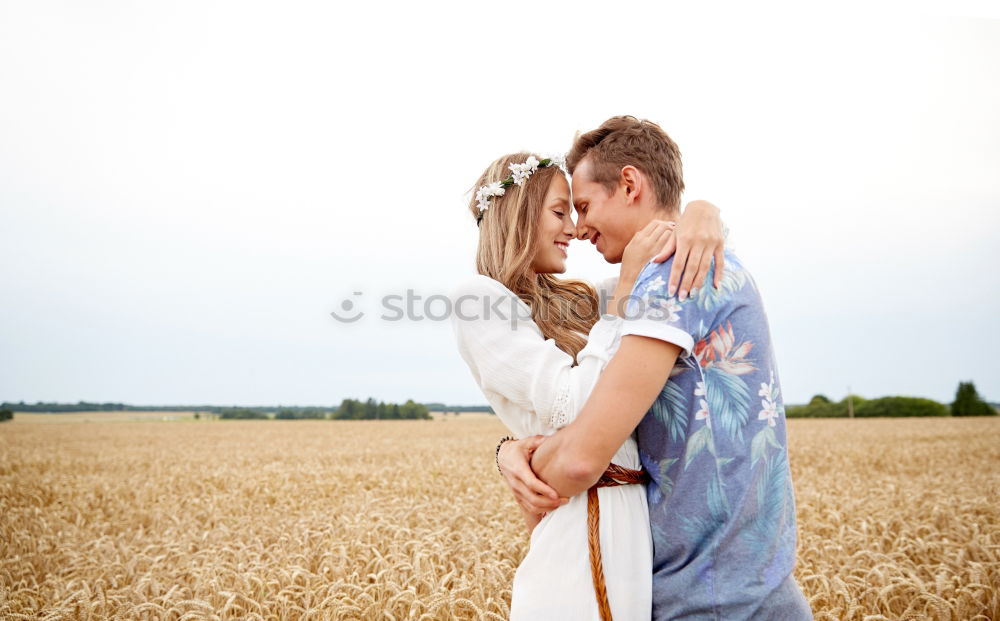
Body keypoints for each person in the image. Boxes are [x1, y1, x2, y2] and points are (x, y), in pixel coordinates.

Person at [498, 116, 813, 620]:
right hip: (759, 590)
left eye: (583, 206)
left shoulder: (669, 281)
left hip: (707, 600)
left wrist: (520, 459)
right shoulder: (718, 261)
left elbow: (579, 461)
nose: (578, 228)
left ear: (629, 184)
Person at [449, 149, 726, 620]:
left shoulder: (582, 299)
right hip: (580, 532)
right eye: (560, 212)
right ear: (517, 216)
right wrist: (507, 447)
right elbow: (573, 407)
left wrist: (703, 212)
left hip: (635, 533)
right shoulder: (478, 299)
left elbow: (661, 257)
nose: (575, 229)